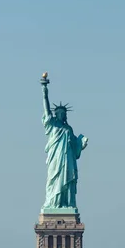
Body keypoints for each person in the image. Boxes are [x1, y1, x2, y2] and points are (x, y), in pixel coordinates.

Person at [41, 81, 88, 209]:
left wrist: (81, 143)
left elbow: (75, 149)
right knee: (53, 180)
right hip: (55, 159)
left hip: (68, 159)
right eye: (59, 113)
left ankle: (66, 204)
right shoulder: (52, 126)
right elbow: (46, 110)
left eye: (64, 113)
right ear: (56, 114)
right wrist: (44, 92)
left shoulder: (69, 129)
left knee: (67, 181)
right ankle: (53, 203)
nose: (62, 115)